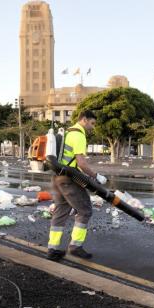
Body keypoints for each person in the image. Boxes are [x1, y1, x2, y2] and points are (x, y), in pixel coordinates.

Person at [47, 110, 107, 261]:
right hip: (68, 178)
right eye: (92, 123)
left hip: (57, 177)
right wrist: (96, 176)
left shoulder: (67, 132)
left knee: (61, 211)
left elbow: (70, 160)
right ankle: (75, 247)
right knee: (85, 211)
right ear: (84, 120)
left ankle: (52, 249)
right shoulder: (79, 135)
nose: (93, 127)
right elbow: (81, 163)